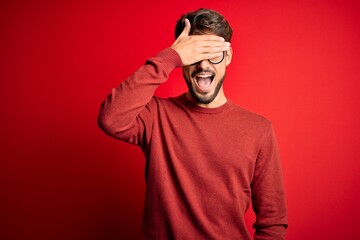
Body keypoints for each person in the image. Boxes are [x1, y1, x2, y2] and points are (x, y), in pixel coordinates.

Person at [98, 8, 288, 240]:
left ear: (228, 57)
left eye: (213, 54)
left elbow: (273, 222)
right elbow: (110, 119)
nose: (203, 65)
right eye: (195, 55)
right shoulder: (157, 116)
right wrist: (169, 57)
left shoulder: (259, 130)